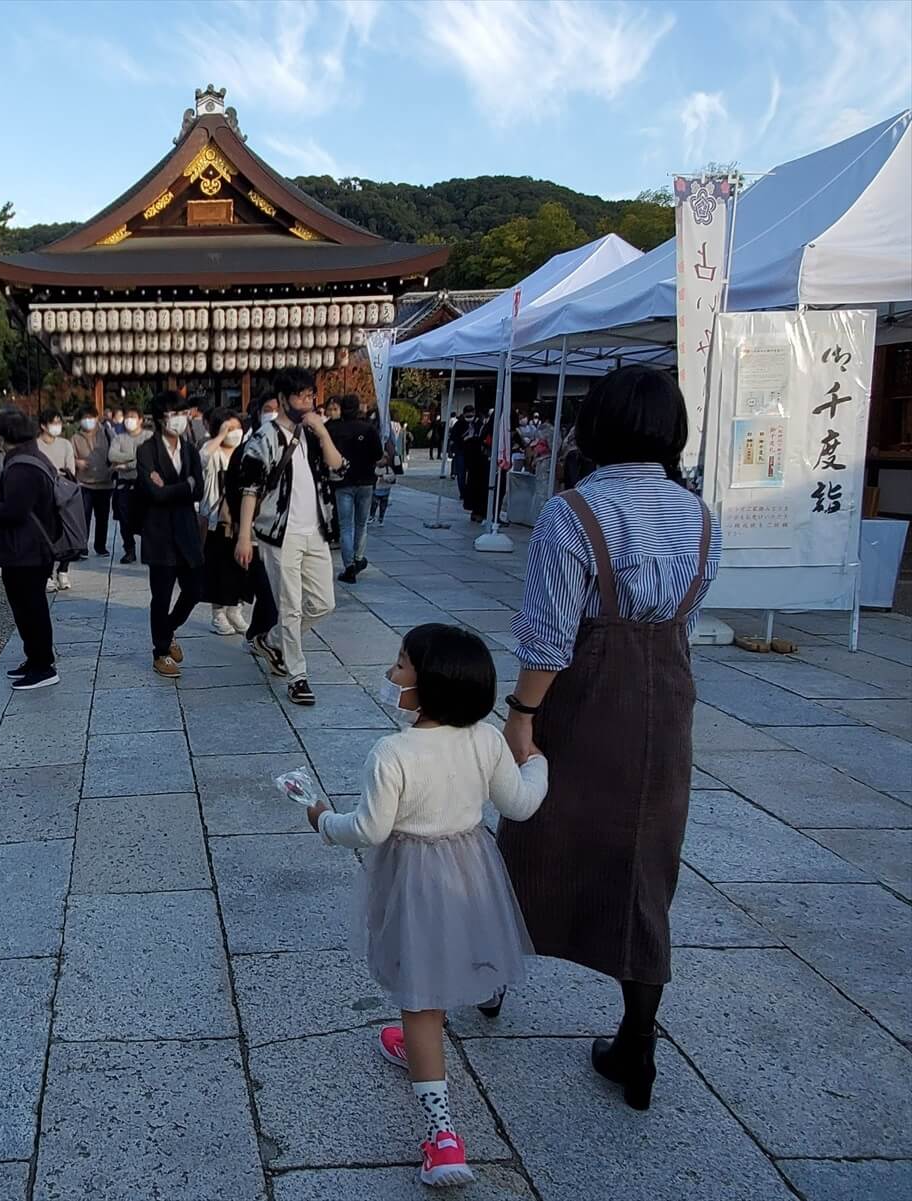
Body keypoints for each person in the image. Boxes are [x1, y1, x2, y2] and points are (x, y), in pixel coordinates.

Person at [498, 366, 721, 1112]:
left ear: (594, 426)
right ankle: (637, 1041)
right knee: (645, 865)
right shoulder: (701, 517)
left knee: (532, 837)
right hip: (665, 701)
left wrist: (522, 714)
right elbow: (683, 618)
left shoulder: (574, 512)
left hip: (582, 702)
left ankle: (489, 972)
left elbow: (549, 640)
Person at [307, 624, 548, 1187]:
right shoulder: (486, 738)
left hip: (411, 877)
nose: (392, 675)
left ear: (428, 684)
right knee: (451, 956)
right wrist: (538, 764)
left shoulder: (392, 751)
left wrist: (321, 819)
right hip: (471, 870)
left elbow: (368, 829)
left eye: (400, 665)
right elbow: (520, 805)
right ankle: (422, 1037)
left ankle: (443, 1136)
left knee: (417, 995)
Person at [236, 367, 344, 706]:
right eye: (300, 396)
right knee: (291, 607)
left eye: (310, 395)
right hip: (279, 533)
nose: (307, 401)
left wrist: (323, 433)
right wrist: (243, 536)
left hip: (316, 530)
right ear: (282, 399)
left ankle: (270, 638)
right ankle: (297, 676)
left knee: (324, 602)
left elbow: (339, 468)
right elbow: (249, 489)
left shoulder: (312, 433)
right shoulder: (263, 438)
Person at [0, 408, 59, 691]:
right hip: (29, 547)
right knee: (26, 605)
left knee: (31, 607)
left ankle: (43, 664)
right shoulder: (31, 457)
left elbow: (16, 511)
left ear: (3, 437)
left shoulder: (22, 466)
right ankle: (34, 657)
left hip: (28, 550)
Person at [138, 391, 204, 677]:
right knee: (161, 595)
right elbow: (154, 493)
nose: (179, 419)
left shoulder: (190, 449)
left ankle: (169, 627)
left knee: (195, 589)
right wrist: (183, 486)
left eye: (182, 413)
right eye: (173, 414)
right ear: (160, 418)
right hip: (160, 532)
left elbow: (199, 488)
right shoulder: (146, 450)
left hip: (187, 530)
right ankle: (161, 651)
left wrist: (171, 488)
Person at [228, 390, 285, 676]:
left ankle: (257, 635)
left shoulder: (292, 444)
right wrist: (240, 529)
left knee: (273, 594)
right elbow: (233, 491)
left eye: (277, 408)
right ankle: (267, 641)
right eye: (268, 408)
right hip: (255, 532)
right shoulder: (245, 449)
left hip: (284, 531)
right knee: (268, 591)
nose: (273, 413)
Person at [199, 407, 252, 635]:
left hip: (243, 520)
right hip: (217, 518)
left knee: (241, 566)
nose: (234, 433)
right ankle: (218, 613)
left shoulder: (246, 452)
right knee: (218, 567)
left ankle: (236, 608)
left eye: (237, 428)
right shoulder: (212, 451)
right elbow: (201, 459)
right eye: (229, 428)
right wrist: (219, 436)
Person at [326, 393, 383, 583]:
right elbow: (378, 455)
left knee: (345, 526)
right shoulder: (368, 429)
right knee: (361, 523)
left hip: (343, 481)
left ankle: (349, 565)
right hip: (366, 480)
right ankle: (358, 558)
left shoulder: (333, 429)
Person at [36, 408, 77, 588]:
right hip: (42, 496)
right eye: (53, 422)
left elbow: (71, 470)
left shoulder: (65, 444)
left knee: (66, 534)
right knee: (46, 537)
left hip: (63, 494)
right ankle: (46, 575)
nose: (57, 426)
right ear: (43, 426)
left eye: (59, 422)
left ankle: (63, 571)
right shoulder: (35, 445)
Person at [107, 406, 150, 563]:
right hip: (124, 484)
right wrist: (134, 457)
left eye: (133, 417)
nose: (129, 420)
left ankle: (148, 551)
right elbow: (112, 455)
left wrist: (126, 465)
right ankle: (129, 550)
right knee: (125, 520)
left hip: (143, 484)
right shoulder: (119, 438)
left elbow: (146, 459)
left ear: (141, 420)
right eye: (127, 417)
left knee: (146, 519)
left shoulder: (148, 437)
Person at [71, 404, 114, 558]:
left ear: (97, 418)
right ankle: (82, 546)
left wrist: (113, 467)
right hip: (84, 483)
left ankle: (100, 546)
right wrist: (77, 463)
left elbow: (115, 451)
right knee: (84, 517)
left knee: (102, 517)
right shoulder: (75, 438)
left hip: (105, 482)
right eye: (84, 418)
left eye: (90, 417)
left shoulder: (107, 433)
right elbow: (70, 458)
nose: (87, 421)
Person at [447, 406, 475, 500]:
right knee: (462, 474)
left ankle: (467, 492)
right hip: (462, 451)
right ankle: (464, 493)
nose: (470, 416)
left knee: (467, 474)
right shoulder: (459, 424)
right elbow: (453, 439)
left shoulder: (475, 423)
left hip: (469, 451)